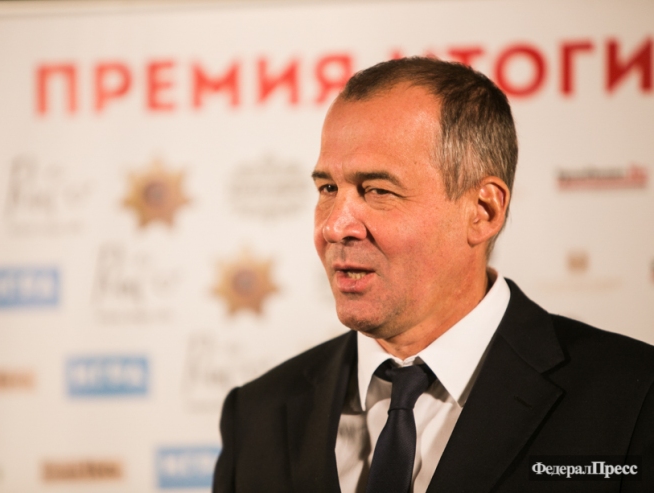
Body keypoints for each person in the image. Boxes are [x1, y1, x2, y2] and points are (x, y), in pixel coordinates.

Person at [212, 57, 654, 493]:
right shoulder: (256, 416)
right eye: (328, 188)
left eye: (378, 190)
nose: (334, 226)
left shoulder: (634, 399)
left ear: (483, 211)